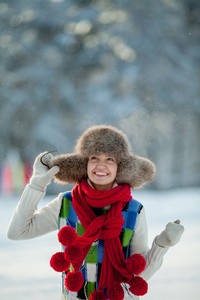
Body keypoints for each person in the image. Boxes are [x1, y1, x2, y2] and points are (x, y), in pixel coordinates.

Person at [7, 125, 184, 300]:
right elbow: (17, 232)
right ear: (84, 163)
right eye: (94, 157)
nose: (101, 165)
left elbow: (138, 275)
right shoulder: (66, 203)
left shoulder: (133, 210)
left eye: (110, 159)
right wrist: (36, 185)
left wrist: (162, 244)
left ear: (119, 167)